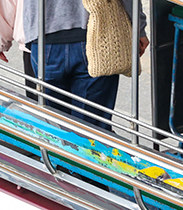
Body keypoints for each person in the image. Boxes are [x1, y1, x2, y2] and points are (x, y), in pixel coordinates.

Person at [23, 0, 148, 130]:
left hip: (43, 35)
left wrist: (1, 37)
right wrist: (139, 28)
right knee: (92, 126)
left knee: (55, 125)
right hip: (97, 36)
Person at [0, 0, 37, 100]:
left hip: (34, 42)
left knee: (41, 104)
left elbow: (6, 6)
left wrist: (0, 42)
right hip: (76, 40)